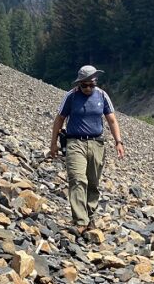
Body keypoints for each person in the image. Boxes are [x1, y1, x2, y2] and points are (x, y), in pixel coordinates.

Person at [49, 65, 125, 235]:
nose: (88, 88)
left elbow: (112, 120)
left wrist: (118, 142)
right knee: (77, 179)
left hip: (97, 143)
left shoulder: (103, 95)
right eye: (85, 85)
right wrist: (53, 143)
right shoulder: (71, 96)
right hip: (75, 142)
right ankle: (80, 221)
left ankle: (89, 217)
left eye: (91, 84)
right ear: (79, 84)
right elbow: (59, 119)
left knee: (93, 182)